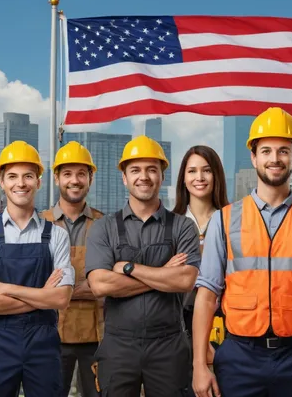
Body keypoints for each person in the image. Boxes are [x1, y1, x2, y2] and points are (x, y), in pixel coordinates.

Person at [191, 107, 292, 397]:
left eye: (283, 151)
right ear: (254, 157)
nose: (275, 159)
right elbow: (207, 295)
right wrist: (200, 364)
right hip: (239, 357)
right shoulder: (224, 219)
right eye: (267, 151)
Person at [85, 135, 201, 396]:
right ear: (124, 177)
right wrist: (163, 276)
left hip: (169, 345)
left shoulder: (183, 226)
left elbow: (184, 281)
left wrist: (128, 268)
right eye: (135, 170)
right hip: (118, 346)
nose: (144, 176)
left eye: (152, 169)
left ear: (162, 176)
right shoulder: (104, 227)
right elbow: (100, 284)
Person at [0, 141, 73, 397]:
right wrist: (41, 296)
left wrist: (7, 289)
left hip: (43, 344)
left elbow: (61, 298)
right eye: (12, 176)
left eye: (28, 176)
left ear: (39, 182)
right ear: (1, 182)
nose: (20, 183)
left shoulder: (57, 235)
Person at [42, 141, 105, 397]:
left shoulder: (105, 225)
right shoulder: (39, 225)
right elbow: (33, 284)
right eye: (67, 173)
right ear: (56, 178)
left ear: (90, 177)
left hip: (97, 337)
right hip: (50, 336)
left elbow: (111, 284)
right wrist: (89, 287)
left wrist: (62, 291)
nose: (75, 180)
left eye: (81, 174)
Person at [172, 145, 230, 366]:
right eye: (192, 171)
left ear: (216, 175)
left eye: (206, 170)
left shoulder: (232, 220)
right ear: (183, 178)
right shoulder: (170, 223)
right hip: (176, 320)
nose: (199, 177)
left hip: (223, 319)